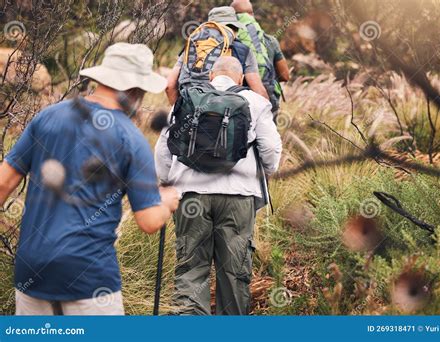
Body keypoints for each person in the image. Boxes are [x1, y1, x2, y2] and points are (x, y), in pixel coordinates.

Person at [0, 43, 180, 315]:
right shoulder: (131, 139)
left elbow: (3, 184)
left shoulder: (48, 117)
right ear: (137, 91)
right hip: (89, 275)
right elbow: (149, 222)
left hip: (32, 268)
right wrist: (167, 201)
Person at [155, 56, 282, 315]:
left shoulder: (186, 100)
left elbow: (162, 150)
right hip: (238, 197)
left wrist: (166, 183)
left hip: (190, 196)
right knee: (234, 272)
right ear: (241, 78)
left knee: (191, 269)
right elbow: (270, 149)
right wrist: (266, 173)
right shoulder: (256, 102)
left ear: (211, 76)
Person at [165, 6, 268, 104]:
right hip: (227, 115)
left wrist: (178, 113)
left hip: (189, 114)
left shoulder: (192, 46)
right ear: (234, 28)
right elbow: (259, 92)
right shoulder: (243, 50)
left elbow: (169, 86)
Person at [231, 0, 290, 113]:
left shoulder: (229, 41)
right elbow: (285, 75)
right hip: (268, 99)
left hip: (239, 99)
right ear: (252, 14)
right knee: (268, 130)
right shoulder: (270, 41)